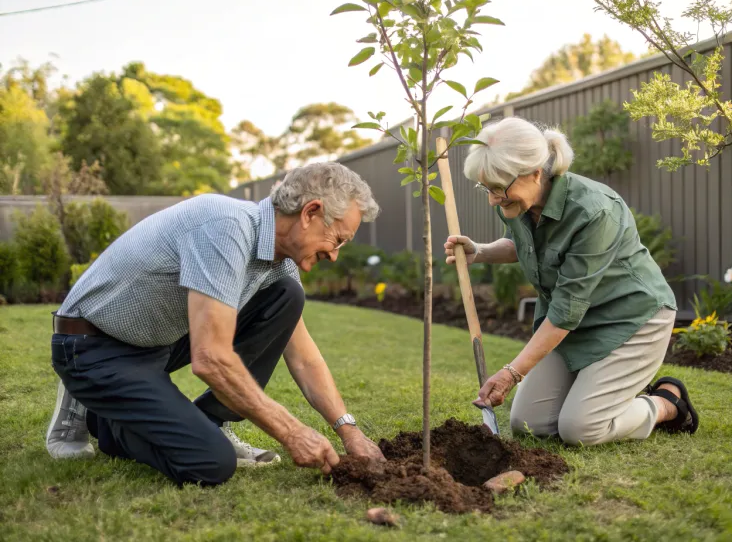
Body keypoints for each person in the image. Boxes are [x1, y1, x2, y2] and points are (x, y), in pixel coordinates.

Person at [46, 162, 386, 486]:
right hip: (94, 346)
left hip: (154, 342)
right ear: (310, 213)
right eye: (338, 239)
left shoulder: (279, 262)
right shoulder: (225, 227)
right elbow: (210, 358)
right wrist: (291, 432)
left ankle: (205, 421)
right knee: (209, 463)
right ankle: (90, 405)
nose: (336, 253)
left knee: (288, 297)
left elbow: (304, 357)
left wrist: (348, 431)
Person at [444, 117, 699, 446]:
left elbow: (565, 311)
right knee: (529, 424)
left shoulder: (593, 212)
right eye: (487, 189)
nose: (493, 199)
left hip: (630, 320)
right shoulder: (516, 203)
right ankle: (596, 390)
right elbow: (525, 247)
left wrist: (512, 372)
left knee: (580, 429)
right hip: (575, 324)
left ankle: (667, 403)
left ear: (535, 172)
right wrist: (479, 251)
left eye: (499, 188)